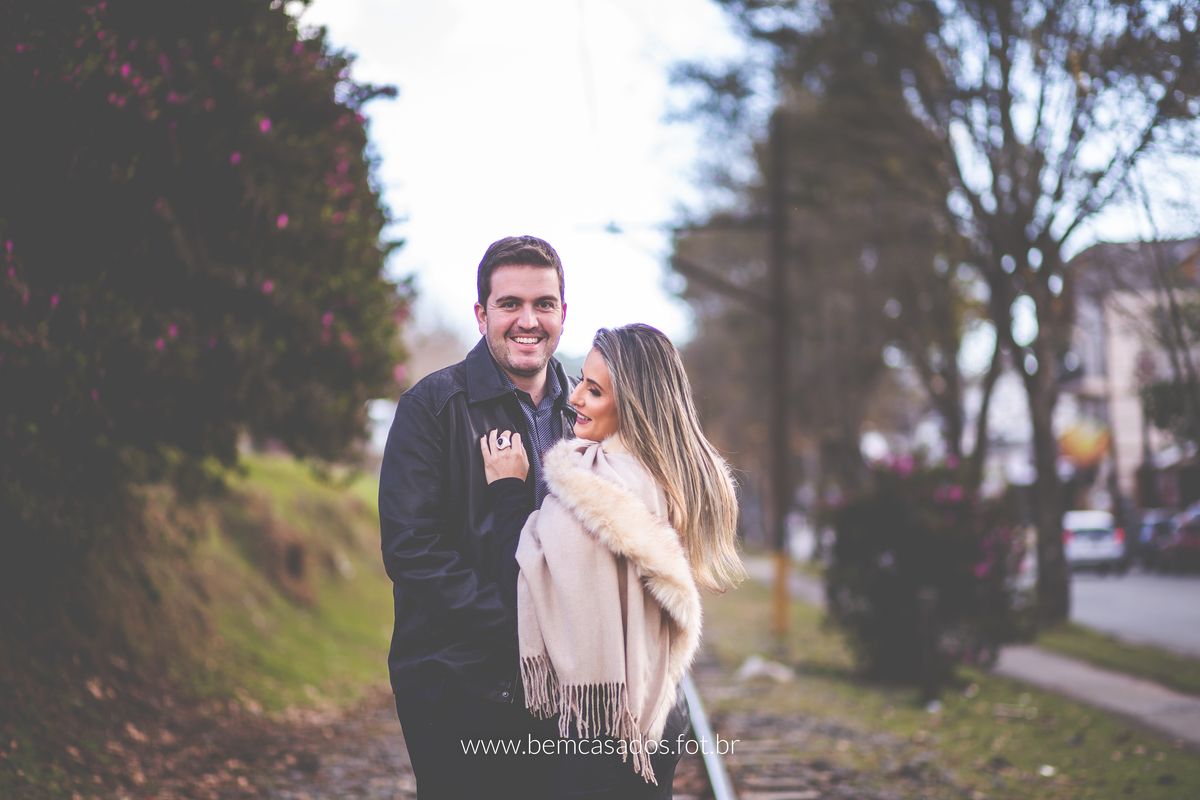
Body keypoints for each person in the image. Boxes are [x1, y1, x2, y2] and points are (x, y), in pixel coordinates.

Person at [480, 323, 745, 799]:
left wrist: (506, 492)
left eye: (595, 390)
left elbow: (525, 579)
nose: (575, 398)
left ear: (633, 406)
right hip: (659, 709)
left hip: (604, 727)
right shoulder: (666, 475)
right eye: (582, 380)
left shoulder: (595, 487)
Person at [379, 236, 576, 800]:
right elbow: (412, 550)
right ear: (481, 314)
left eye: (543, 304)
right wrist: (523, 625)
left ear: (563, 313)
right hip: (457, 683)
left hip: (563, 686)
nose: (528, 321)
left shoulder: (584, 412)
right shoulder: (432, 406)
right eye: (510, 304)